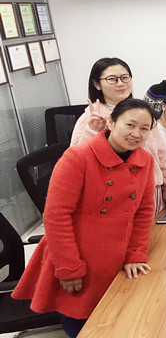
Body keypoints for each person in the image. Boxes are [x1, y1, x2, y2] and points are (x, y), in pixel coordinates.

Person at [13, 99, 157, 338]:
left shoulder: (145, 160)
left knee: (123, 321)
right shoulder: (78, 157)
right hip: (79, 258)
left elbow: (143, 211)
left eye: (144, 128)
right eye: (130, 125)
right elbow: (56, 215)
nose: (136, 134)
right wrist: (69, 268)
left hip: (118, 257)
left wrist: (135, 253)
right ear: (111, 122)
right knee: (84, 326)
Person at [71, 57, 166, 215]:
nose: (120, 83)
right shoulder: (90, 118)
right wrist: (93, 130)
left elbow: (160, 154)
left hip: (152, 190)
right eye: (112, 79)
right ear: (97, 84)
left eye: (125, 77)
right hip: (115, 197)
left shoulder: (143, 112)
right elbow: (76, 160)